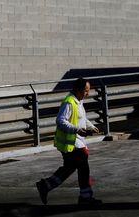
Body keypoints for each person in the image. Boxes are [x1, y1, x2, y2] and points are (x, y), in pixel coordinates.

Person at [36, 78, 102, 206]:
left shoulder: (78, 101)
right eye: (86, 91)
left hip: (73, 143)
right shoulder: (69, 102)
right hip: (73, 143)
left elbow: (81, 118)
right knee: (83, 167)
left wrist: (90, 126)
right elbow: (60, 121)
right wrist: (77, 130)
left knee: (69, 168)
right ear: (78, 90)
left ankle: (46, 185)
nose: (88, 93)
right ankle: (85, 198)